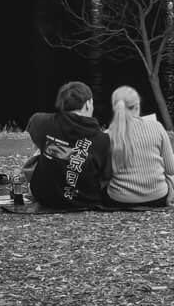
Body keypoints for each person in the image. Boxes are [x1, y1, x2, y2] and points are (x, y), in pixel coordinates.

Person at [104, 85, 174, 207]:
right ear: (137, 106)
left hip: (119, 199)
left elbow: (106, 174)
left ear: (115, 107)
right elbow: (171, 170)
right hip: (158, 197)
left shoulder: (108, 135)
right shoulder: (156, 126)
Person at [25, 80, 112, 209]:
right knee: (95, 162)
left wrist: (61, 150)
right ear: (88, 104)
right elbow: (105, 175)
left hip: (45, 196)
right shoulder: (102, 139)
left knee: (45, 147)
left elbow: (33, 128)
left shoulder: (42, 122)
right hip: (85, 200)